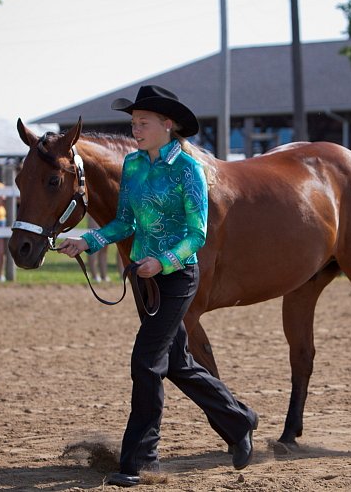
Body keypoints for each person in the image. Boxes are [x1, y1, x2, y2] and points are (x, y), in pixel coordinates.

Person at [56, 85, 257, 487]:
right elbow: (126, 222)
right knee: (178, 363)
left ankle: (140, 461)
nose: (135, 129)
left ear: (168, 125)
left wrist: (162, 261)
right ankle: (239, 420)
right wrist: (87, 240)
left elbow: (196, 233)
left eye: (142, 122)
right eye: (133, 123)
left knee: (146, 361)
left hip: (178, 276)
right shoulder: (132, 166)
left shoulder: (188, 168)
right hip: (145, 279)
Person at [86, 215, 109, 282]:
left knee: (104, 247)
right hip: (95, 214)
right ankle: (94, 275)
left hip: (105, 214)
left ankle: (104, 275)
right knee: (94, 246)